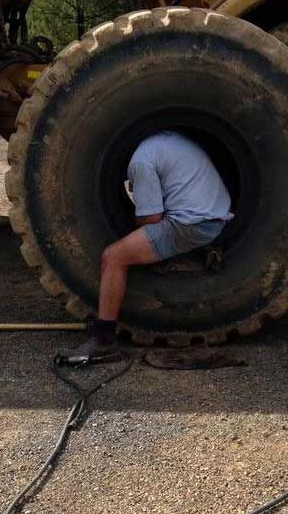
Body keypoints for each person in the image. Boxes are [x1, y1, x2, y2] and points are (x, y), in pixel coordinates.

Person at [70, 131, 233, 360]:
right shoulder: (163, 141)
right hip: (215, 216)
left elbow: (151, 219)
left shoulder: (140, 163)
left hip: (193, 225)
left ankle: (104, 340)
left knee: (113, 257)